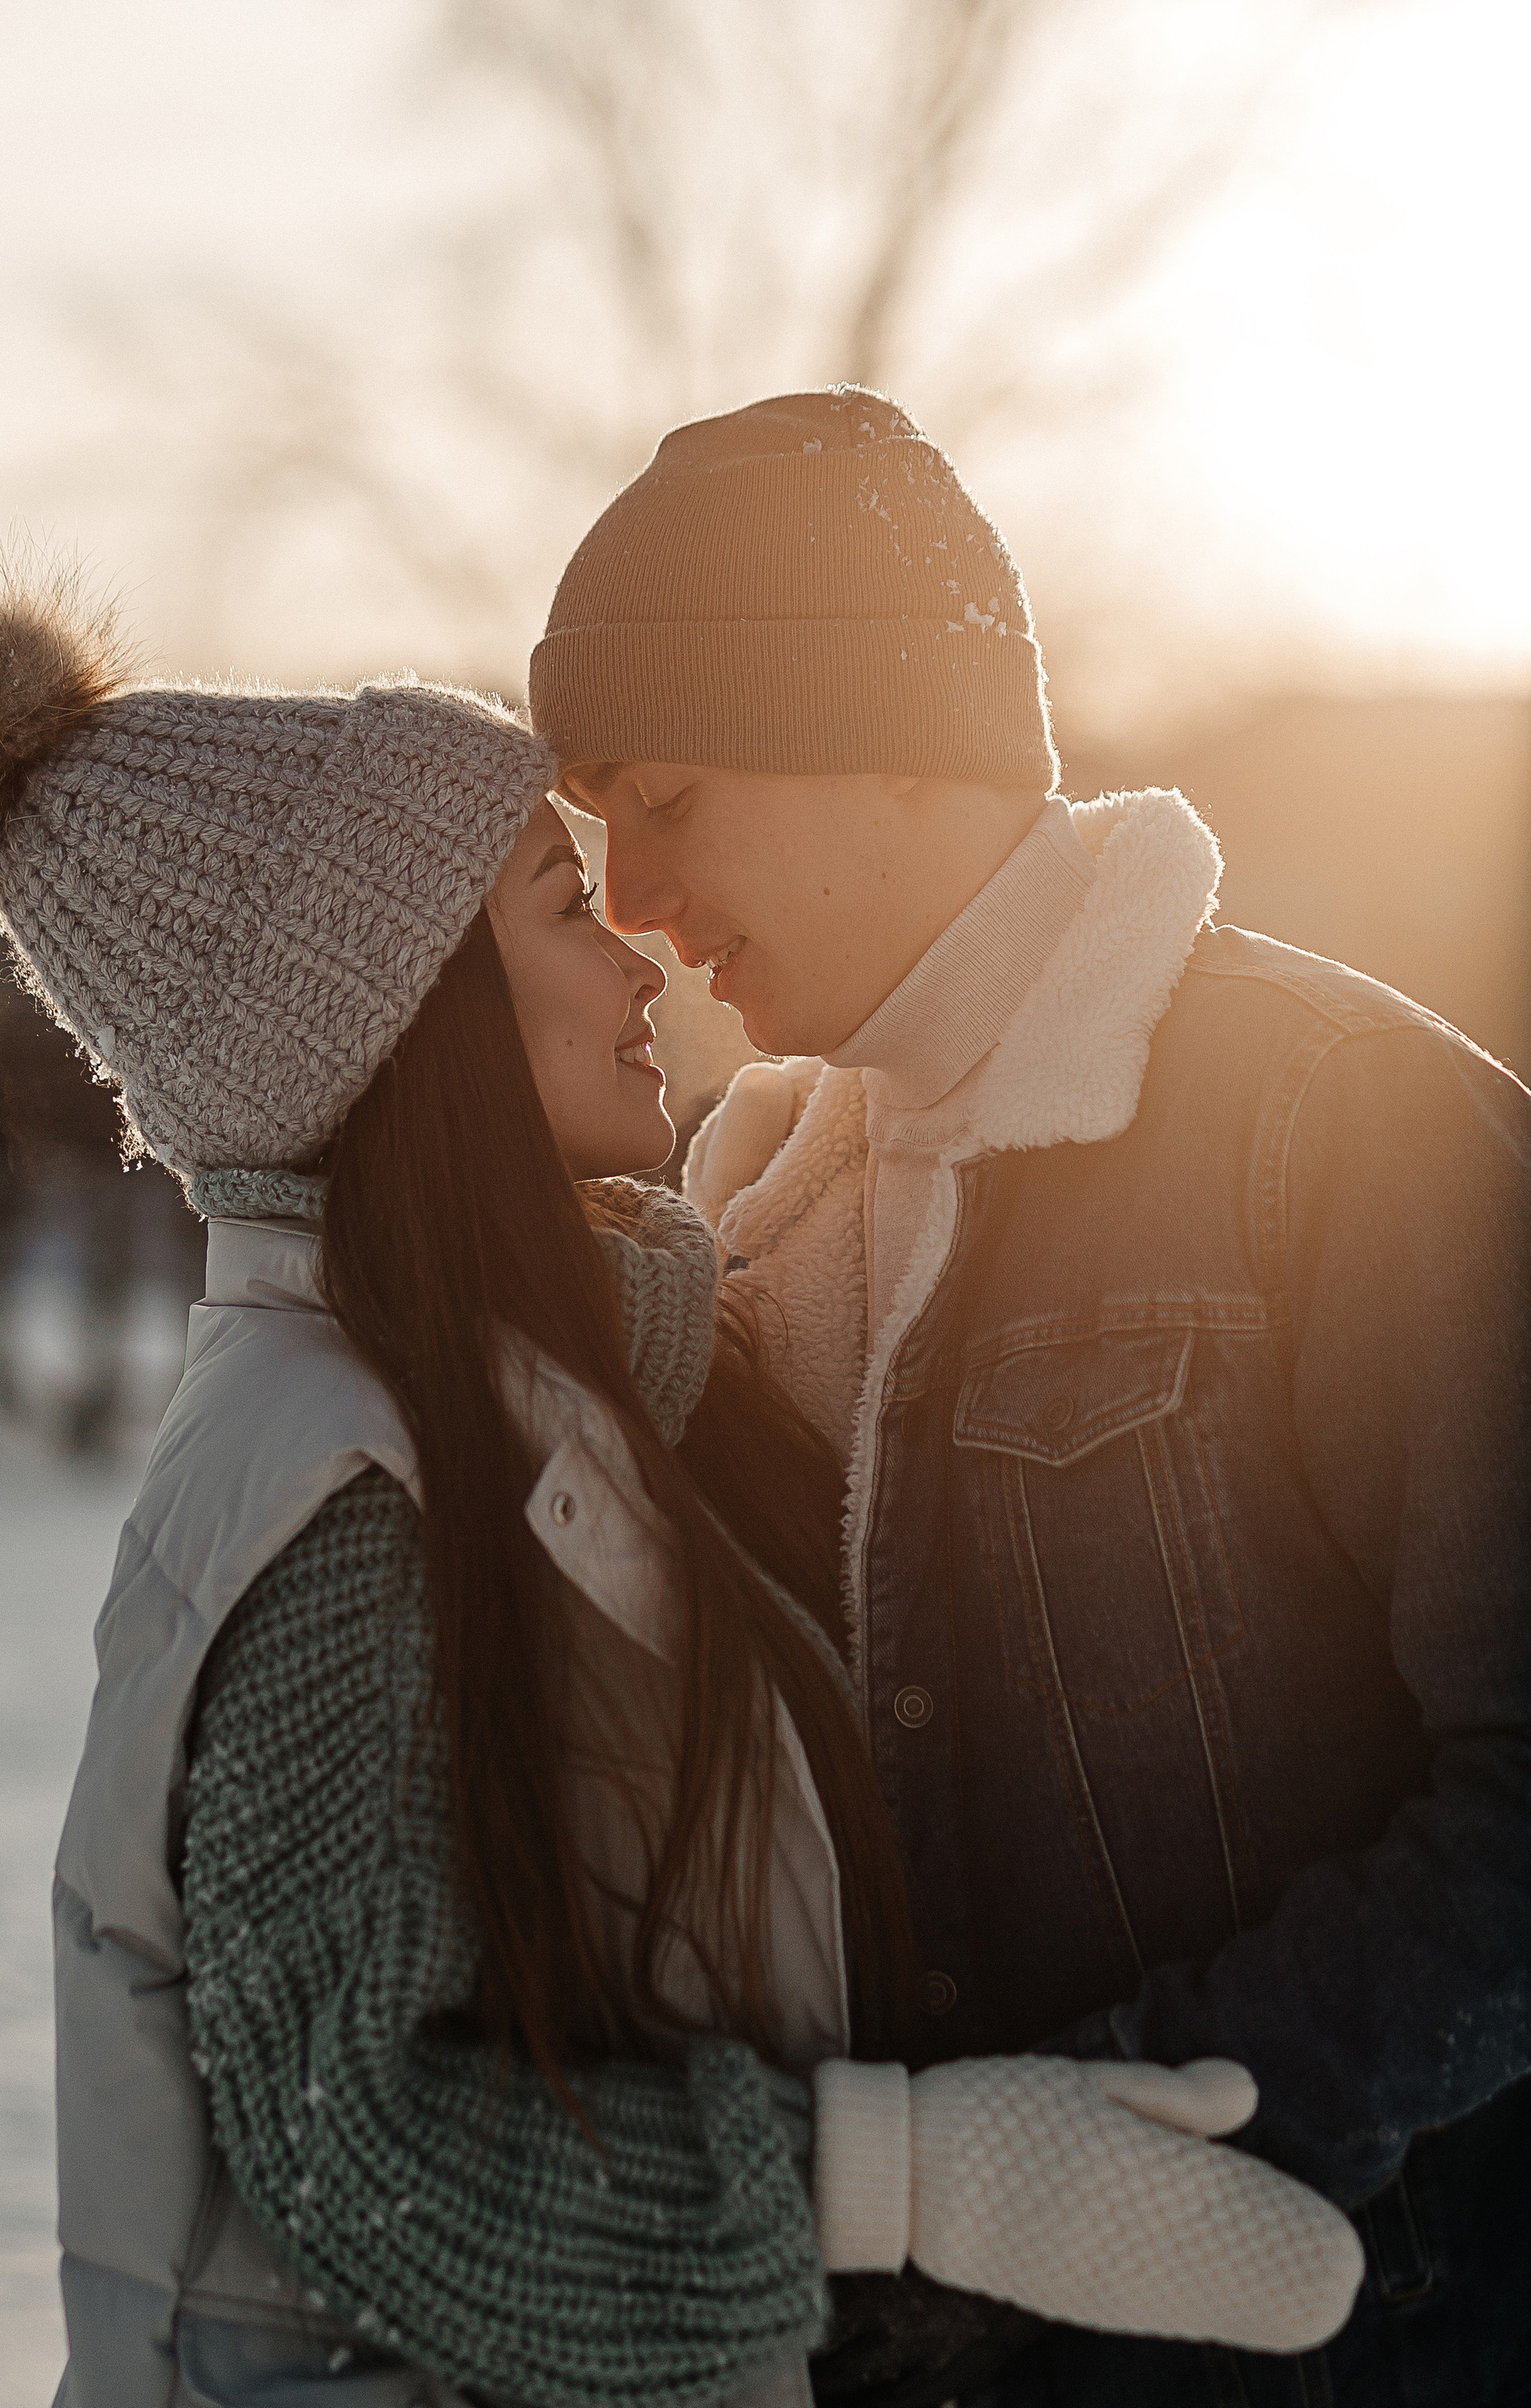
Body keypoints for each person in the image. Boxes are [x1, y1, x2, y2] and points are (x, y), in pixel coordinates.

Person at [0, 573, 1363, 2408]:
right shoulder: (340, 1492)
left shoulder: (529, 1400)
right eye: (563, 903)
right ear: (403, 1019)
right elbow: (370, 2157)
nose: (639, 955)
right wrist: (928, 2187)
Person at [529, 385, 1531, 2408]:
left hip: (1338, 2349)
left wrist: (1114, 2147)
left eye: (673, 798)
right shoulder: (734, 1207)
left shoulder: (1344, 1129)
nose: (629, 894)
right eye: (594, 826)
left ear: (887, 754)